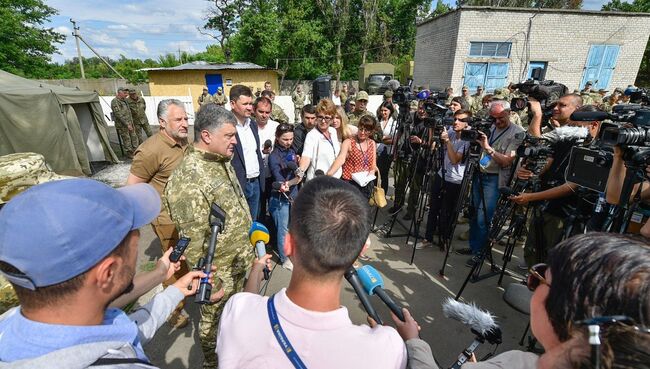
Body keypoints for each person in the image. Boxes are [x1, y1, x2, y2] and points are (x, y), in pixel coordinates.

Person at [0, 178, 213, 367]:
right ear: (108, 273)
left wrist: (168, 283)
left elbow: (124, 327)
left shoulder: (12, 325)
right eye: (134, 235)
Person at [216, 176, 408, 369]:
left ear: (287, 244)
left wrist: (256, 271)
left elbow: (246, 305)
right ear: (359, 253)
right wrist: (414, 343)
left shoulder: (236, 310)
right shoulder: (386, 350)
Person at [397, 232, 650, 369]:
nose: (530, 283)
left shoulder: (517, 362)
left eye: (539, 277)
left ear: (564, 309)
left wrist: (414, 342)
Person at [164, 104, 255, 369]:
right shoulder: (188, 178)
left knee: (237, 321)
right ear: (206, 136)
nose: (234, 142)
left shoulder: (219, 162)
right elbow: (191, 241)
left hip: (239, 263)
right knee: (213, 327)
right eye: (229, 136)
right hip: (218, 275)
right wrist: (210, 285)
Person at [126, 98, 190, 328]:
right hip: (166, 219)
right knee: (173, 263)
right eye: (178, 119)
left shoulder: (183, 142)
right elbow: (132, 188)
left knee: (186, 260)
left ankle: (185, 289)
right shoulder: (150, 150)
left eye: (186, 118)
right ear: (162, 122)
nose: (185, 123)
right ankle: (173, 310)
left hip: (187, 215)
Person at [464, 100, 523, 264]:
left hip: (494, 179)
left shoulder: (518, 133)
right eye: (494, 118)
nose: (497, 121)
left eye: (501, 118)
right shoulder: (488, 126)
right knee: (474, 214)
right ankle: (474, 247)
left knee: (484, 218)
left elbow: (507, 161)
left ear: (509, 113)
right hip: (478, 174)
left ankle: (481, 253)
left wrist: (487, 147)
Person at [422, 109, 471, 249]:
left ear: (468, 123)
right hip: (441, 174)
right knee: (433, 207)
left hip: (455, 180)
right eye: (455, 119)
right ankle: (428, 237)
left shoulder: (468, 139)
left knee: (447, 211)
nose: (456, 122)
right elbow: (434, 142)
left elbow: (455, 159)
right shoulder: (450, 131)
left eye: (461, 120)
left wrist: (447, 142)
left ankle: (444, 238)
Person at [390, 101, 432, 220]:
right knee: (399, 183)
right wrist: (395, 153)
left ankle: (411, 210)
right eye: (420, 108)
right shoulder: (410, 117)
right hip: (404, 155)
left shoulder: (430, 122)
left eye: (424, 109)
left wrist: (421, 142)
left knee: (414, 187)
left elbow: (432, 144)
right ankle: (397, 205)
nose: (421, 111)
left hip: (419, 159)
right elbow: (399, 133)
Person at [229, 85, 265, 221]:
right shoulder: (226, 126)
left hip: (255, 183)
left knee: (253, 223)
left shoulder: (253, 125)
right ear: (233, 104)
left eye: (251, 103)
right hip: (238, 185)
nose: (250, 107)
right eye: (245, 104)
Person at [268, 123, 299, 271]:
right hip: (280, 197)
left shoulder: (292, 150)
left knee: (292, 227)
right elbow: (277, 174)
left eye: (291, 138)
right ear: (277, 138)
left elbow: (295, 169)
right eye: (285, 139)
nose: (288, 142)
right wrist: (284, 184)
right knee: (283, 229)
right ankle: (284, 258)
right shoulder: (274, 156)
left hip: (294, 193)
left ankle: (291, 252)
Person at [327, 115, 378, 199]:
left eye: (366, 130)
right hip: (350, 183)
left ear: (371, 132)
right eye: (361, 129)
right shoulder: (349, 142)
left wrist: (370, 175)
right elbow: (341, 158)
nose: (362, 132)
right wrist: (329, 174)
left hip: (365, 184)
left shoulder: (372, 143)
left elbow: (373, 165)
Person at [299, 98, 341, 181]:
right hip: (318, 181)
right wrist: (300, 172)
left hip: (335, 180)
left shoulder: (333, 131)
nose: (323, 121)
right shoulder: (312, 135)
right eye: (320, 117)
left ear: (332, 119)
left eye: (327, 118)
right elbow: (306, 157)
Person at [253, 96, 280, 219]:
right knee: (259, 208)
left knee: (275, 208)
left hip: (273, 174)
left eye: (267, 112)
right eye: (261, 112)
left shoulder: (276, 127)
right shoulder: (249, 127)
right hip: (257, 175)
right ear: (254, 110)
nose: (264, 115)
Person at [111, 87, 139, 158]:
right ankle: (129, 153)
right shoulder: (115, 101)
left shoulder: (125, 100)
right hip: (122, 125)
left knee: (134, 136)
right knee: (127, 139)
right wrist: (127, 124)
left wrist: (131, 123)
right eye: (124, 93)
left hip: (130, 122)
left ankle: (136, 150)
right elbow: (118, 114)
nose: (126, 94)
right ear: (119, 93)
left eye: (126, 93)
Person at [376, 101, 397, 195]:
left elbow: (393, 138)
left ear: (390, 111)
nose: (383, 112)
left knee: (384, 174)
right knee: (376, 173)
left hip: (388, 151)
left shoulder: (394, 122)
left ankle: (383, 194)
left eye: (385, 110)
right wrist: (383, 138)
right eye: (382, 110)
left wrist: (381, 139)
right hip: (376, 150)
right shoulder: (378, 121)